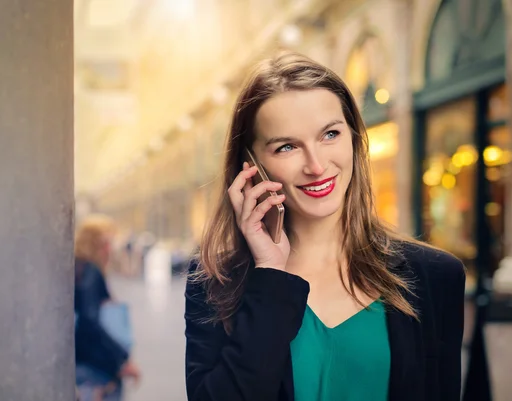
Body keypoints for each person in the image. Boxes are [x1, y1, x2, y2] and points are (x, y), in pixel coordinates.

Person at [184, 51, 465, 401]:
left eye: (330, 134)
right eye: (287, 147)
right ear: (250, 165)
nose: (316, 166)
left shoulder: (435, 276)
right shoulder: (216, 283)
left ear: (353, 139)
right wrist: (270, 274)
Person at [74, 215, 141, 401]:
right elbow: (90, 322)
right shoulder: (90, 272)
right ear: (96, 244)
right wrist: (121, 360)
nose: (110, 250)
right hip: (97, 370)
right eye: (107, 243)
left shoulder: (77, 269)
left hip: (84, 364)